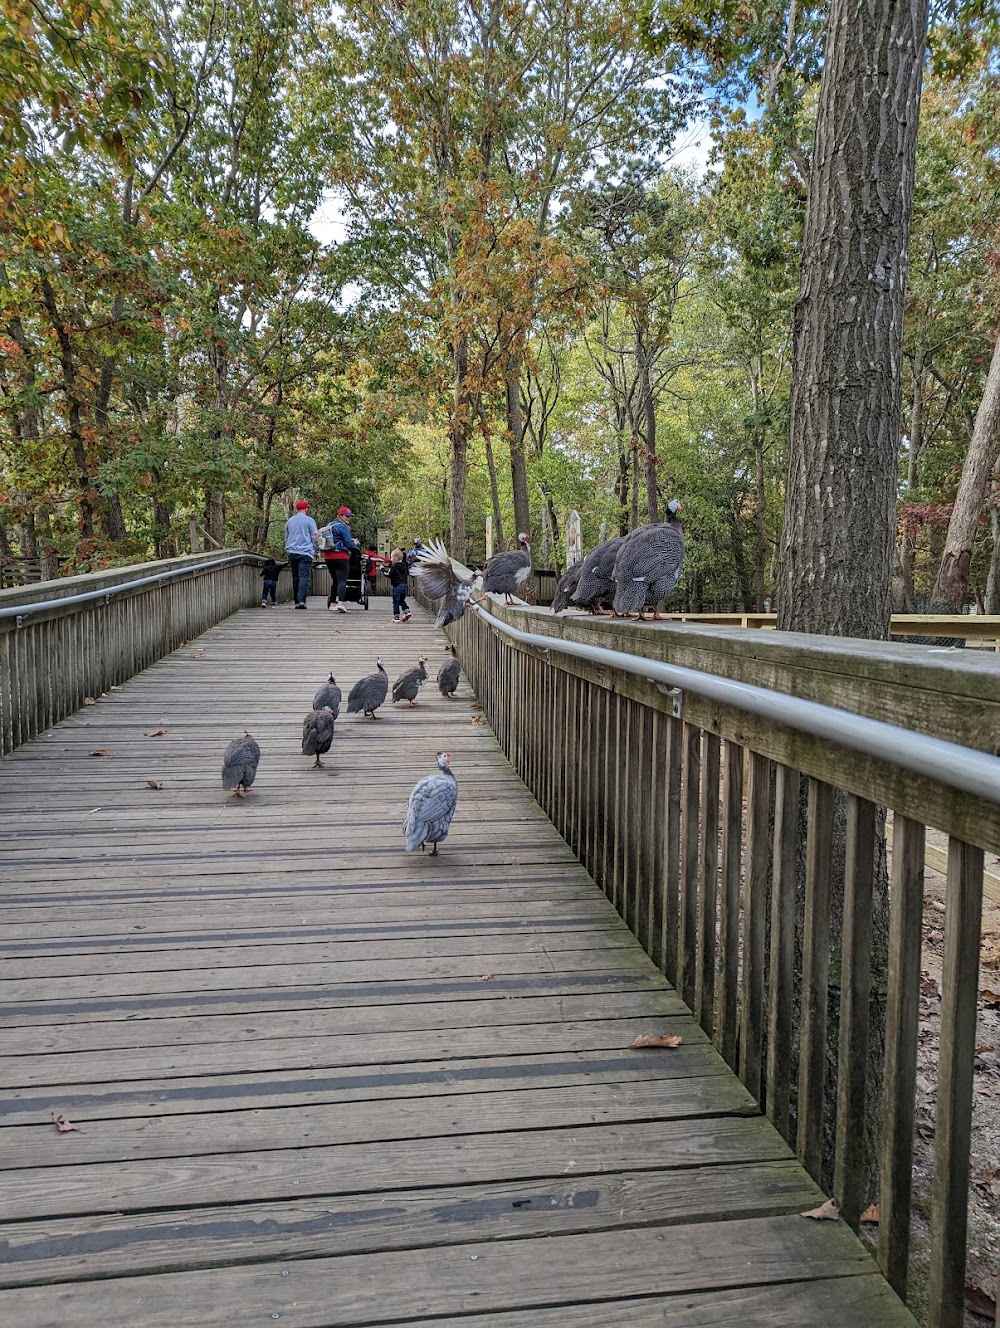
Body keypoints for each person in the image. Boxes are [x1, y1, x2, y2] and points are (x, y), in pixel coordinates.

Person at [323, 506, 361, 613]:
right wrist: (355, 543)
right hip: (341, 557)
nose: (348, 518)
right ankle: (340, 603)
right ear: (340, 516)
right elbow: (348, 543)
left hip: (328, 557)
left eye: (349, 516)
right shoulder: (343, 527)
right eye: (347, 516)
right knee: (342, 580)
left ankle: (332, 603)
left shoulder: (329, 525)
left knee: (335, 580)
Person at [284, 500, 318, 609]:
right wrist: (316, 550)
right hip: (305, 552)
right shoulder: (309, 520)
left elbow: (286, 536)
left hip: (292, 551)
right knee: (303, 576)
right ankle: (302, 601)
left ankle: (296, 601)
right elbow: (315, 536)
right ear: (306, 509)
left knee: (295, 577)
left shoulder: (290, 521)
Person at [386, 548, 412, 622]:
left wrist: (382, 570)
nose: (390, 559)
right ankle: (407, 611)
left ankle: (396, 616)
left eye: (391, 557)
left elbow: (389, 575)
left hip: (397, 586)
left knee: (396, 602)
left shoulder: (394, 567)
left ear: (395, 558)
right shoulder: (405, 566)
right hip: (405, 586)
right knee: (401, 600)